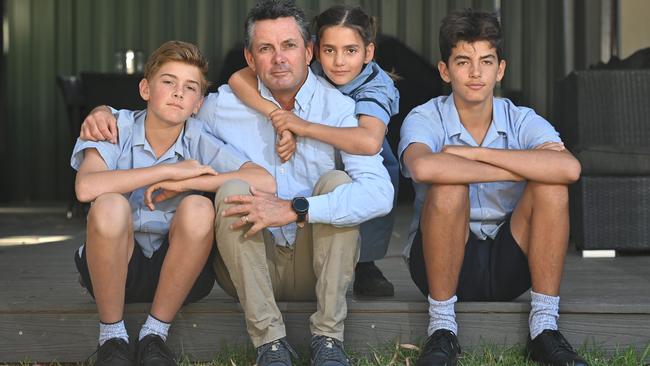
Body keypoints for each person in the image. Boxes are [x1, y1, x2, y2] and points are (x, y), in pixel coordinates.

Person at [77, 1, 393, 365]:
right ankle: (270, 345)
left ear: (308, 51)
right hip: (246, 265)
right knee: (230, 190)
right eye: (265, 48)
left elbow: (380, 194)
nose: (278, 59)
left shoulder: (337, 110)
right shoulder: (218, 107)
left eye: (289, 45)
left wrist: (295, 209)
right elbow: (171, 105)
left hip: (317, 264)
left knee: (337, 181)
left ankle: (328, 341)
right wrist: (102, 113)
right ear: (249, 57)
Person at [397, 10, 587, 366]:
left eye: (486, 61)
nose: (475, 73)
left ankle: (544, 329)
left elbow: (569, 168)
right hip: (439, 264)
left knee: (551, 188)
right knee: (448, 186)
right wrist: (521, 165)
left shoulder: (522, 118)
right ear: (444, 70)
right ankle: (441, 330)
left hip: (509, 263)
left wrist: (474, 154)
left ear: (500, 69)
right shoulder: (425, 117)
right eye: (463, 61)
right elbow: (422, 166)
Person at [71, 40, 274, 366]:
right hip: (115, 268)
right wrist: (168, 169)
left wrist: (188, 182)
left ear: (197, 103)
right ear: (145, 88)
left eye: (190, 87)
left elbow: (264, 180)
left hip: (180, 274)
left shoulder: (197, 137)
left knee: (199, 207)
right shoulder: (112, 126)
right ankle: (112, 338)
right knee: (109, 204)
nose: (179, 92)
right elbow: (86, 187)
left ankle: (155, 335)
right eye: (168, 82)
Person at [228, 4, 400, 298]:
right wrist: (279, 119)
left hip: (361, 145)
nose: (339, 61)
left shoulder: (376, 86)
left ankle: (366, 263)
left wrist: (302, 127)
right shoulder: (312, 67)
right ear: (315, 51)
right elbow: (238, 79)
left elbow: (369, 141)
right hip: (323, 153)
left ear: (368, 53)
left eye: (350, 51)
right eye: (330, 50)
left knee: (362, 187)